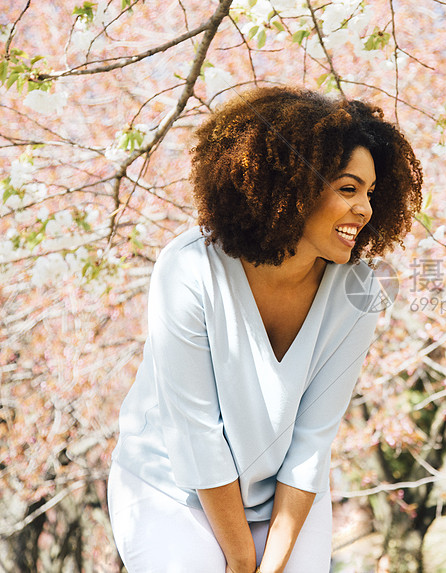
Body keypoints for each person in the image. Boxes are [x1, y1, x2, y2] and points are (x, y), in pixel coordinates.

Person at [108, 86, 422, 573]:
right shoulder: (190, 269)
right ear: (290, 187)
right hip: (172, 489)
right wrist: (239, 561)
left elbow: (313, 439)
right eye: (347, 188)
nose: (365, 209)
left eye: (371, 193)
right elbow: (197, 434)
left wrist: (272, 563)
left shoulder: (362, 289)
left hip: (285, 500)